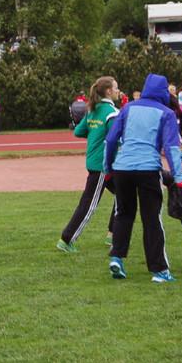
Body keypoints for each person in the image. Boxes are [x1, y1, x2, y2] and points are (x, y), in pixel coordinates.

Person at [104, 73, 182, 283]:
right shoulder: (166, 113)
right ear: (163, 92)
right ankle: (159, 270)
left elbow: (111, 140)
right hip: (148, 169)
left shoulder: (128, 108)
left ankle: (117, 258)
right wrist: (179, 176)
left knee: (123, 214)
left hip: (122, 168)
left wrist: (108, 168)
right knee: (151, 219)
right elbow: (171, 147)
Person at [57, 76, 120, 253]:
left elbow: (78, 131)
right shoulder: (112, 112)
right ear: (108, 91)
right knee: (88, 205)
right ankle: (66, 240)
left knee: (124, 194)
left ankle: (113, 234)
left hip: (97, 163)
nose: (118, 91)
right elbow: (115, 138)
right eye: (116, 88)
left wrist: (95, 135)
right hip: (103, 166)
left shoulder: (93, 109)